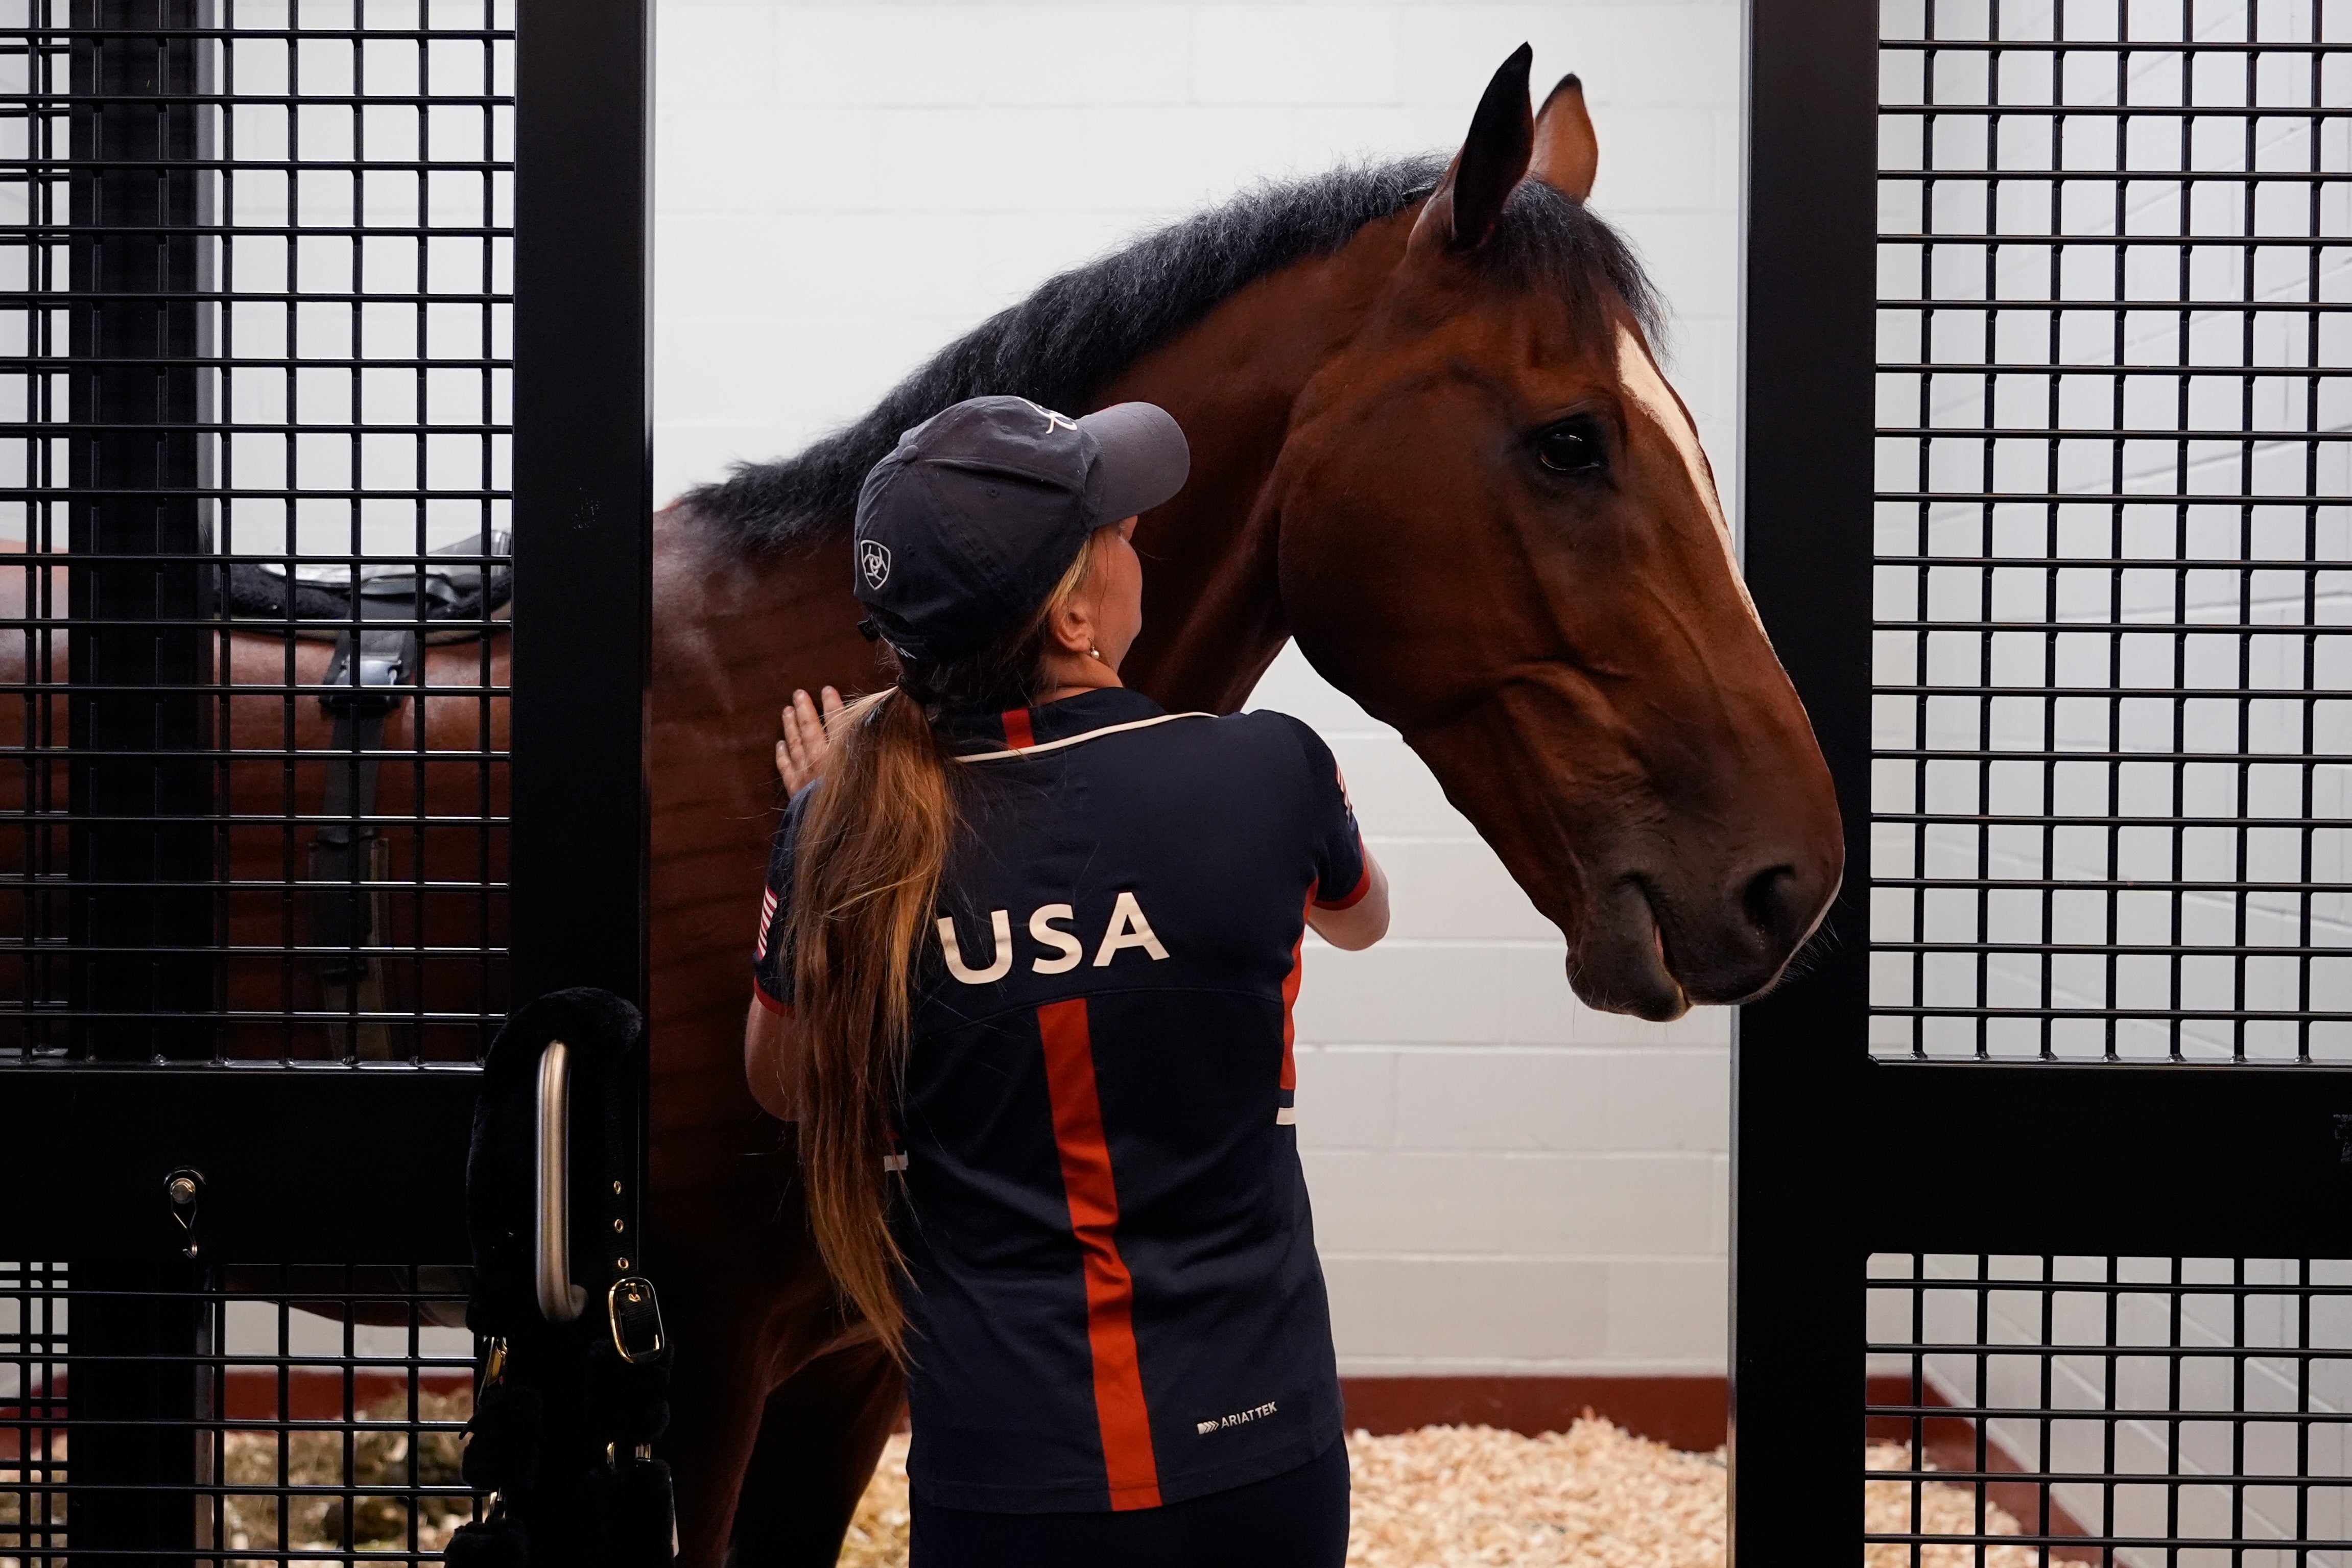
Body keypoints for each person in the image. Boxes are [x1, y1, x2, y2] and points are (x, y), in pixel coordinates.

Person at [743, 394, 1389, 1568]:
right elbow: (1361, 918)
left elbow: (783, 1080)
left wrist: (814, 823)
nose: (1141, 541)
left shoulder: (842, 828)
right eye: (1120, 530)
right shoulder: (1266, 766)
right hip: (1260, 1448)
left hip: (1001, 1475)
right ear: (1075, 612)